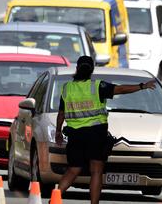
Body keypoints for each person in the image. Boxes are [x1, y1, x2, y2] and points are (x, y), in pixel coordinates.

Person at [55, 56, 155, 204]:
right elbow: (121, 89)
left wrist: (58, 131)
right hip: (95, 134)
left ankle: (55, 198)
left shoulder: (67, 88)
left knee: (73, 170)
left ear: (77, 69)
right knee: (96, 171)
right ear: (92, 70)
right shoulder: (97, 86)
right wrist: (142, 86)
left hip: (75, 135)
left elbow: (61, 114)